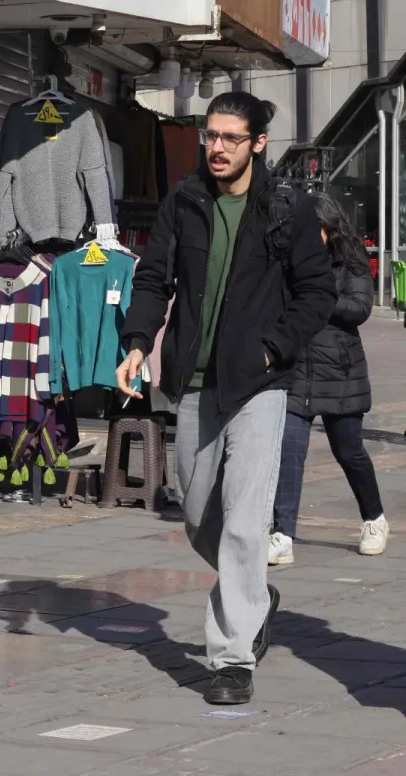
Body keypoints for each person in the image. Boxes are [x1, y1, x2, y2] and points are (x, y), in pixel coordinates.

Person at [117, 91, 336, 707]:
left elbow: (317, 293)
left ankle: (231, 658)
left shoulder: (287, 209)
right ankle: (255, 594)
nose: (216, 148)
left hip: (260, 385)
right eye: (210, 136)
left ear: (258, 143)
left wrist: (273, 348)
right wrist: (137, 343)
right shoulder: (184, 201)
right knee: (196, 512)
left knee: (244, 520)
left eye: (230, 138)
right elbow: (153, 279)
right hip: (194, 381)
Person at [270, 194, 386, 565]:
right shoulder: (289, 260)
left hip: (340, 373)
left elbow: (360, 308)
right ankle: (282, 534)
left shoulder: (351, 259)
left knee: (349, 451)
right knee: (289, 454)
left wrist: (319, 299)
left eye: (313, 228)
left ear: (329, 227)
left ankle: (374, 519)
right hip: (296, 370)